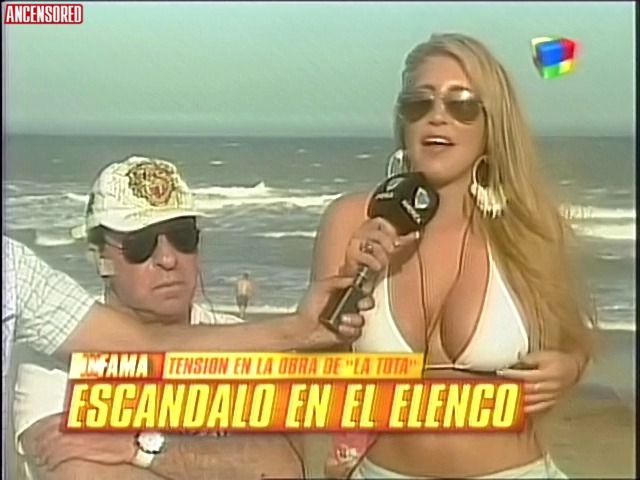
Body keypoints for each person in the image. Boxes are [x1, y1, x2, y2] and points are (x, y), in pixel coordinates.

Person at [312, 33, 595, 479]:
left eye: (460, 104)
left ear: (491, 124)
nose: (437, 117)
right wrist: (351, 281)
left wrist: (569, 368)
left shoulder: (527, 226)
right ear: (403, 121)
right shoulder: (352, 220)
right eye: (419, 104)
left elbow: (574, 340)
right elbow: (313, 368)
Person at [9, 155, 370, 480]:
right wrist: (223, 461)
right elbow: (80, 471)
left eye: (183, 238)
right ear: (99, 257)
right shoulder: (57, 363)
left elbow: (289, 465)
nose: (168, 259)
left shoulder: (238, 338)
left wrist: (142, 447)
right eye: (141, 245)